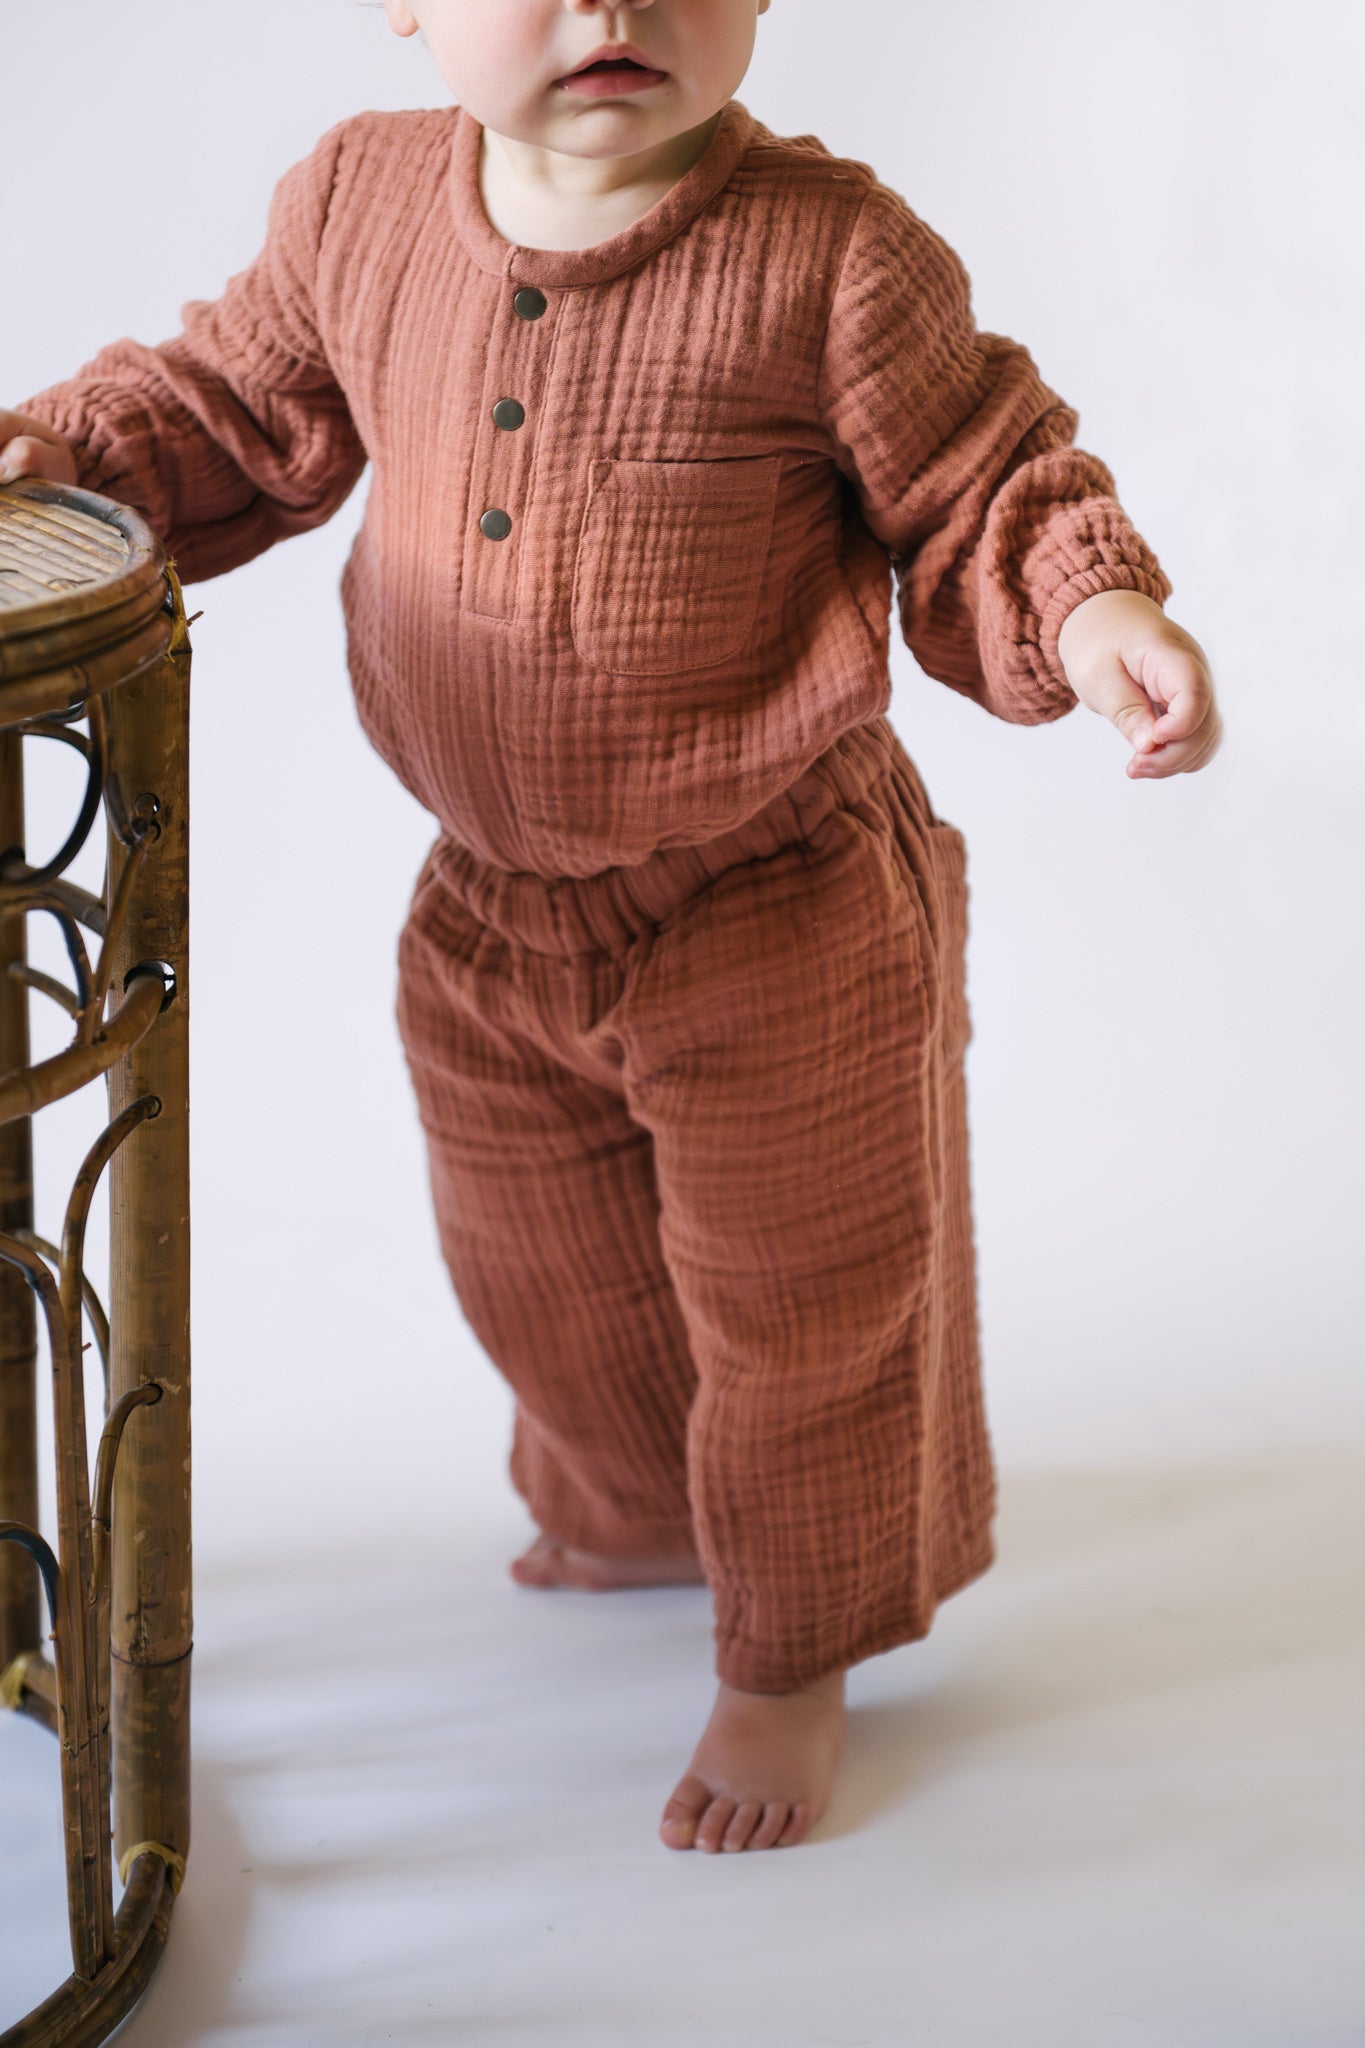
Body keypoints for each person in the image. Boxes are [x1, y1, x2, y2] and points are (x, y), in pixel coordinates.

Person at [0, 0, 1222, 1856]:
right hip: (488, 910)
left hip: (777, 904)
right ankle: (647, 1513)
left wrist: (1092, 611)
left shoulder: (829, 256)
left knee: (809, 1313)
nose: (612, 9)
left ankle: (789, 1657)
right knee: (540, 1267)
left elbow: (985, 480)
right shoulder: (357, 203)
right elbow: (224, 410)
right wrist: (57, 453)